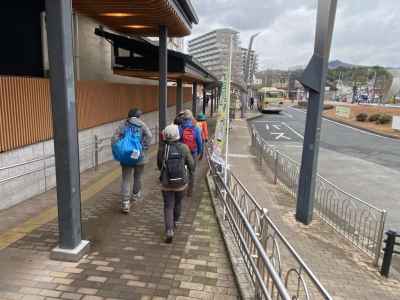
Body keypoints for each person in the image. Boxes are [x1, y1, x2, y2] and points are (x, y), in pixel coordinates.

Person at [158, 124, 195, 243]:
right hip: (181, 183)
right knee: (178, 202)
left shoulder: (162, 149)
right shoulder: (184, 148)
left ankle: (169, 230)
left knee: (168, 206)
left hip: (166, 182)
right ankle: (176, 221)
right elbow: (191, 165)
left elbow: (159, 166)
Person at [111, 108, 152, 213]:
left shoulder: (123, 124)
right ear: (138, 116)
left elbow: (114, 138)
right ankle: (135, 195)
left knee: (126, 179)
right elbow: (149, 136)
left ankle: (125, 203)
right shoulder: (142, 125)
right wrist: (143, 147)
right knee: (138, 177)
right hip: (140, 157)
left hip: (126, 157)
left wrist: (120, 148)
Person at [179, 109, 203, 197]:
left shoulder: (180, 127)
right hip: (193, 152)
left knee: (181, 170)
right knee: (192, 171)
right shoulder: (196, 128)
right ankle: (190, 191)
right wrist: (199, 152)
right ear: (191, 117)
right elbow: (199, 142)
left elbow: (178, 140)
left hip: (182, 152)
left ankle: (181, 188)